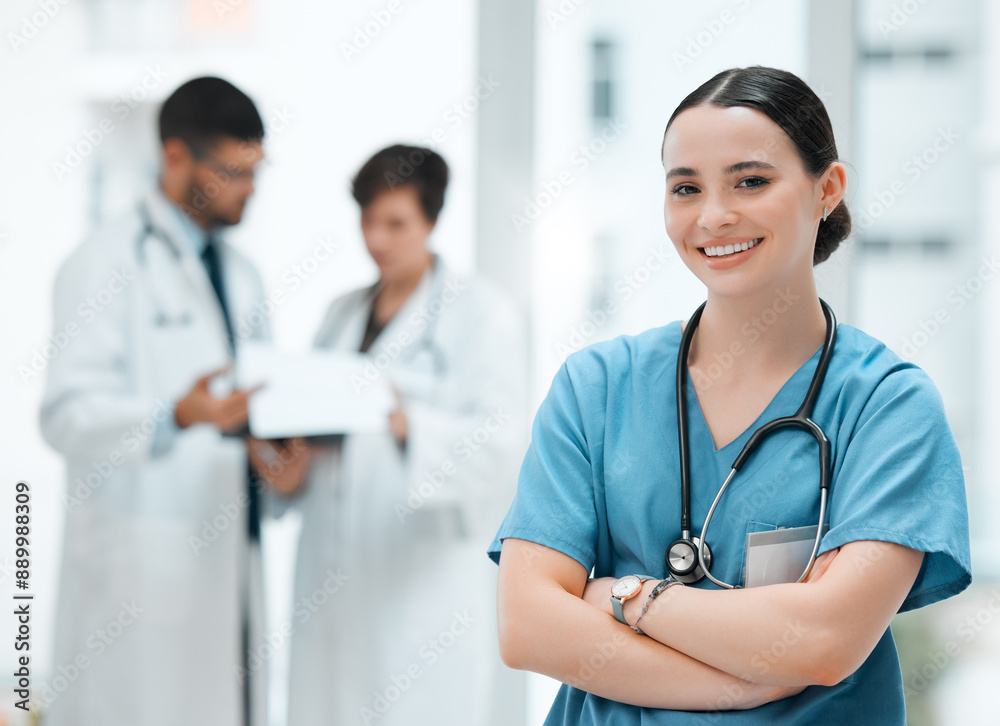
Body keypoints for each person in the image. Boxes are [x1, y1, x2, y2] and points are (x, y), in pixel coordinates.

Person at [489, 66, 972, 724]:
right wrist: (741, 685)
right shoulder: (596, 388)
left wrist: (628, 597)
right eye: (686, 188)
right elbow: (529, 627)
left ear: (826, 189)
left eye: (751, 180)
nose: (714, 216)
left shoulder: (887, 406)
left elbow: (825, 643)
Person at [250, 144, 528, 725]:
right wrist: (287, 462)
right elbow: (318, 425)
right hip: (329, 572)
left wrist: (409, 425)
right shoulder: (340, 313)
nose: (377, 239)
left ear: (431, 220)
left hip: (418, 585)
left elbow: (502, 450)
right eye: (368, 220)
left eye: (395, 223)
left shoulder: (480, 314)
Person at [40, 77, 271, 726]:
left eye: (257, 171)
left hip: (226, 565)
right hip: (138, 576)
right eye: (232, 171)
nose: (249, 189)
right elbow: (65, 415)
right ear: (175, 157)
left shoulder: (244, 277)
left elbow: (253, 410)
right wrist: (174, 415)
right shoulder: (105, 262)